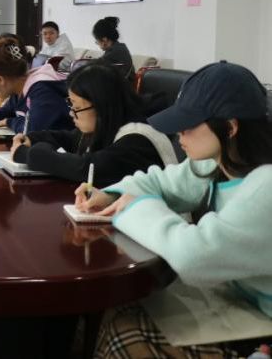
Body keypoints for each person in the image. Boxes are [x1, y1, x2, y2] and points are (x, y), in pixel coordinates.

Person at [77, 61, 272, 358]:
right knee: (121, 311)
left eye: (189, 124)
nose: (179, 134)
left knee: (124, 337)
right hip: (241, 303)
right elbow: (160, 183)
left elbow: (193, 256)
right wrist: (110, 194)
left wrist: (134, 208)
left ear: (230, 127)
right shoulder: (214, 164)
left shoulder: (265, 186)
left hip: (262, 327)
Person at [10, 63, 177, 186]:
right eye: (71, 105)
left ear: (102, 106)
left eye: (77, 108)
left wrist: (27, 154)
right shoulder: (109, 124)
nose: (71, 113)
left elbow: (87, 169)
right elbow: (69, 138)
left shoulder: (137, 139)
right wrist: (32, 138)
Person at [0, 37, 73, 133]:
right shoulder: (19, 88)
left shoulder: (42, 90)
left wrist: (7, 122)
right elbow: (8, 110)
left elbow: (33, 129)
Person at [92, 16, 134, 84]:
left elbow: (95, 65)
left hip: (122, 89)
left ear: (104, 40)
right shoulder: (119, 47)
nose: (97, 44)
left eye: (97, 41)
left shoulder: (116, 51)